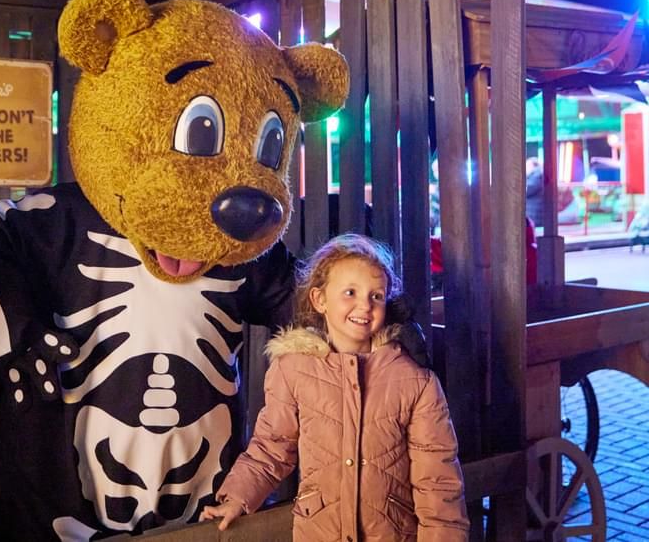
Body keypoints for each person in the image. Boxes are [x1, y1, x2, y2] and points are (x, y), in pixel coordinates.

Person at [201, 234, 469, 541]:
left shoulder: (414, 381)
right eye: (350, 293)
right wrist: (237, 497)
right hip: (319, 532)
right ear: (319, 299)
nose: (364, 306)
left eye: (376, 296)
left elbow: (437, 477)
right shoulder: (293, 370)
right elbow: (271, 447)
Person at [526, 157, 544, 228]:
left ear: (533, 165)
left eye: (527, 166)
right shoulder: (536, 176)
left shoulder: (537, 176)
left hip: (534, 215)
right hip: (534, 213)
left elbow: (527, 190)